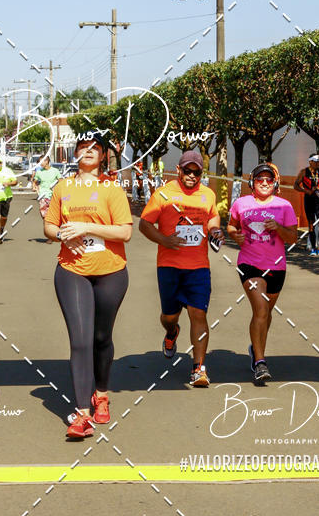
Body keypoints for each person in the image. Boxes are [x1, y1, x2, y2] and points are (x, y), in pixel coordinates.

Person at [44, 132, 132, 439]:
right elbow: (49, 226)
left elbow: (124, 233)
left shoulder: (112, 189)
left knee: (101, 338)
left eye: (95, 148)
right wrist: (63, 234)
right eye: (83, 147)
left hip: (111, 272)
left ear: (104, 155)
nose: (89, 151)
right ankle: (81, 414)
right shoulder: (63, 187)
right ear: (75, 154)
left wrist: (86, 226)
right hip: (72, 271)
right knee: (80, 340)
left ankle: (102, 393)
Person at [139, 150, 224, 387]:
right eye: (187, 171)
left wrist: (215, 230)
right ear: (178, 170)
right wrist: (164, 240)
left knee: (199, 314)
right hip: (169, 266)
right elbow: (144, 224)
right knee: (170, 316)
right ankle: (171, 332)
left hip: (198, 267)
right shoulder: (164, 194)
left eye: (196, 172)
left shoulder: (207, 194)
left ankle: (199, 368)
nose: (192, 176)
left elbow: (213, 218)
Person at [228, 163, 298, 384]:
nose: (265, 183)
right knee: (260, 309)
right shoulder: (241, 203)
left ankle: (254, 349)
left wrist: (278, 227)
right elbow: (231, 226)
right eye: (260, 179)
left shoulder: (284, 206)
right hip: (249, 264)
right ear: (253, 183)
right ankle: (260, 363)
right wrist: (235, 235)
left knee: (265, 314)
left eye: (269, 179)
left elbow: (293, 238)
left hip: (276, 267)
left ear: (275, 183)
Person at [294, 153, 319, 256]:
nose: (318, 164)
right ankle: (313, 249)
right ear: (310, 162)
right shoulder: (304, 172)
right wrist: (306, 191)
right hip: (309, 200)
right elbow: (295, 185)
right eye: (316, 162)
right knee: (311, 224)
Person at [33, 154, 61, 219]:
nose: (40, 163)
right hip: (43, 195)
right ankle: (46, 226)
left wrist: (57, 188)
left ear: (47, 161)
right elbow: (35, 181)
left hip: (53, 196)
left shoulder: (55, 171)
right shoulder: (39, 172)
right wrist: (34, 187)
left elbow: (61, 181)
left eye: (41, 161)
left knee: (54, 215)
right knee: (44, 215)